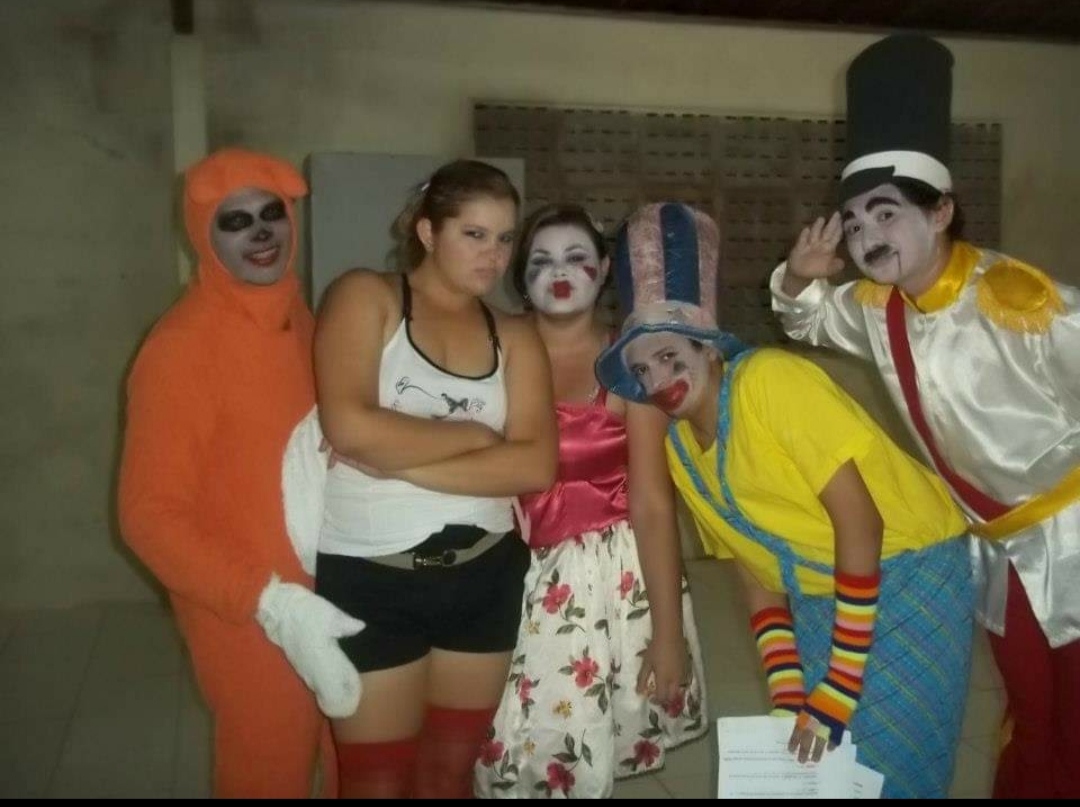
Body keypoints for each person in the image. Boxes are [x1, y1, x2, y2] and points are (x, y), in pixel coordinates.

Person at [769, 33, 1080, 799]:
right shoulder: (878, 307)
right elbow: (808, 319)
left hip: (1072, 539)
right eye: (853, 220)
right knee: (1032, 713)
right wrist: (798, 277)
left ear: (940, 210)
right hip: (998, 552)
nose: (867, 236)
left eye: (886, 213)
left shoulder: (1017, 301)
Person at [595, 201, 975, 798]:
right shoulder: (681, 451)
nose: (657, 380)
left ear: (709, 349)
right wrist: (787, 686)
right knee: (829, 767)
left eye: (670, 356)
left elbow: (861, 521)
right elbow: (755, 566)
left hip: (911, 571)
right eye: (641, 371)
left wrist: (839, 685)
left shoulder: (769, 381)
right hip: (820, 590)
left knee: (889, 766)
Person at [306, 158, 559, 799]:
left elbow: (534, 465)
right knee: (375, 781)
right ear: (427, 232)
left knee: (448, 776)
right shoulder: (366, 297)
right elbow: (350, 426)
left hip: (484, 576)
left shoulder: (514, 335)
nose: (494, 255)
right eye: (474, 234)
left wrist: (400, 459)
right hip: (371, 577)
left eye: (505, 238)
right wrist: (477, 438)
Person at [117, 147, 364, 798]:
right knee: (268, 770)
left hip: (335, 584)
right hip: (250, 613)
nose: (260, 232)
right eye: (234, 221)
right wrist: (268, 602)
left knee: (356, 763)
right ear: (203, 235)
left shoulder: (302, 320)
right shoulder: (179, 349)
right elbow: (146, 516)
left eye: (270, 213)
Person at [473, 204, 708, 798]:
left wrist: (667, 634)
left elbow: (652, 503)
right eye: (541, 260)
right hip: (499, 569)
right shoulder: (488, 348)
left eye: (576, 258)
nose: (559, 272)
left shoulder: (632, 361)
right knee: (499, 744)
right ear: (520, 274)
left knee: (570, 753)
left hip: (604, 586)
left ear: (603, 269)